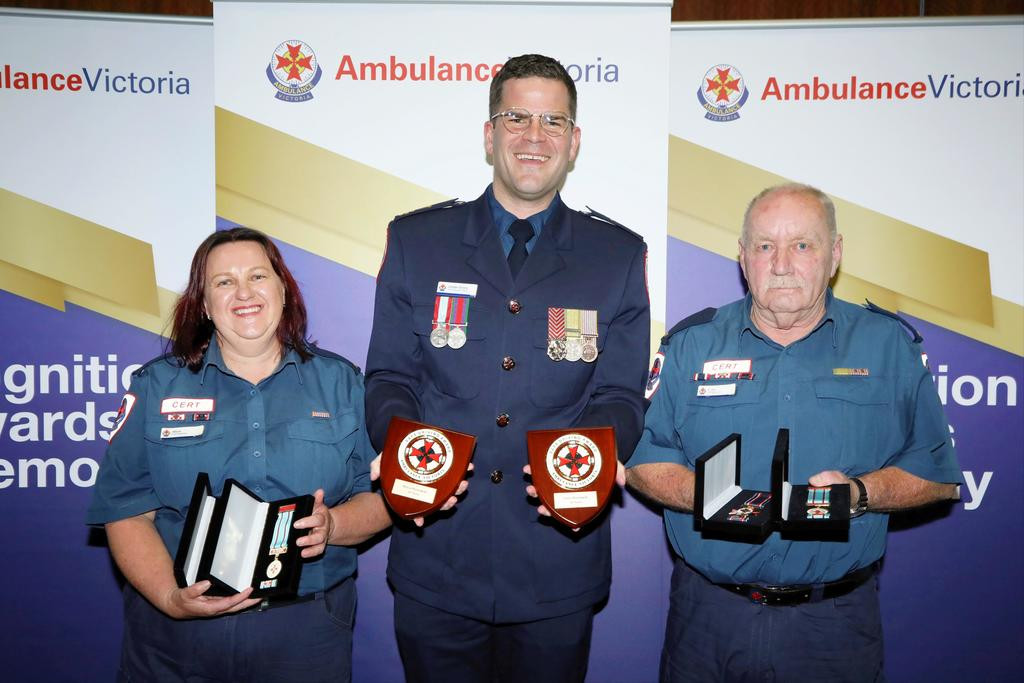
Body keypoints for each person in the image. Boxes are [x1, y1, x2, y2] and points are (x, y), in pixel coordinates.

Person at [365, 54, 650, 683]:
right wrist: (403, 445)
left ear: (574, 142)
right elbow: (389, 376)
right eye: (516, 116)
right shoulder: (418, 240)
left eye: (553, 121)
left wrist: (590, 455)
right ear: (488, 134)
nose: (533, 136)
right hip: (437, 554)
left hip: (556, 560)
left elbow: (622, 396)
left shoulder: (617, 255)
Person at [627, 183, 961, 682]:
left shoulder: (887, 346)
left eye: (802, 245)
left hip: (833, 626)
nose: (781, 264)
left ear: (835, 254)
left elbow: (937, 474)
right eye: (764, 246)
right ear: (743, 257)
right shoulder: (690, 344)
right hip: (709, 620)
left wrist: (863, 494)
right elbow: (642, 462)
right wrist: (704, 496)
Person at [86, 227, 390, 683]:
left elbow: (386, 497)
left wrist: (335, 525)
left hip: (303, 634)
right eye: (223, 282)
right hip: (176, 638)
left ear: (283, 290)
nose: (243, 292)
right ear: (204, 304)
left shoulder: (343, 383)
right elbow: (126, 511)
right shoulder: (156, 386)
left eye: (257, 277)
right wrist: (171, 597)